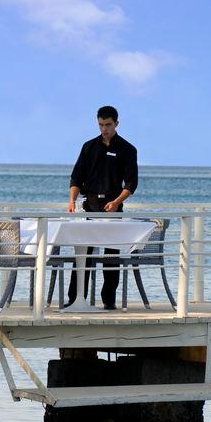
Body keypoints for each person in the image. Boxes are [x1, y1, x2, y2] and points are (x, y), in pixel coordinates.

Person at [66, 105, 138, 309]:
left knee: (111, 257)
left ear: (116, 123)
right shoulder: (89, 147)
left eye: (108, 125)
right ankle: (76, 299)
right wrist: (71, 200)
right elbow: (76, 177)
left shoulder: (127, 149)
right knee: (82, 255)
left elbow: (132, 184)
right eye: (100, 125)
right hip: (89, 207)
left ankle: (109, 301)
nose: (104, 129)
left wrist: (116, 202)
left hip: (113, 209)